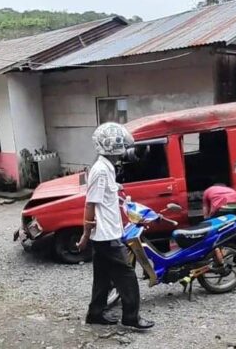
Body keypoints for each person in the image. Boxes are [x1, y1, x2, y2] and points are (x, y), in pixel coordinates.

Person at [77, 122, 153, 330]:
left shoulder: (106, 169)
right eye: (121, 145)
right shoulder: (101, 171)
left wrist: (117, 188)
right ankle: (131, 317)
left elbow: (101, 196)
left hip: (105, 235)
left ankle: (95, 313)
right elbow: (90, 203)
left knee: (102, 277)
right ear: (114, 147)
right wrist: (85, 235)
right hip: (106, 235)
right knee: (127, 275)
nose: (124, 151)